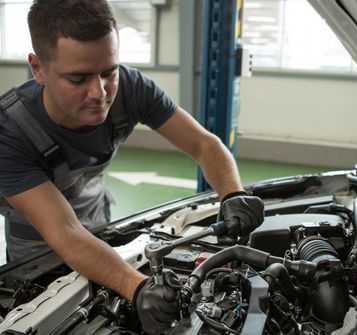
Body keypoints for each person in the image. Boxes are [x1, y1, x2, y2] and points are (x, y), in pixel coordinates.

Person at [0, 0, 264, 333]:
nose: (99, 92)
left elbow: (204, 144)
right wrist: (137, 287)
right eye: (78, 78)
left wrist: (233, 193)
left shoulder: (132, 89)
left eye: (109, 71)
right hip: (37, 257)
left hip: (98, 229)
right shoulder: (11, 132)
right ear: (38, 68)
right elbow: (65, 233)